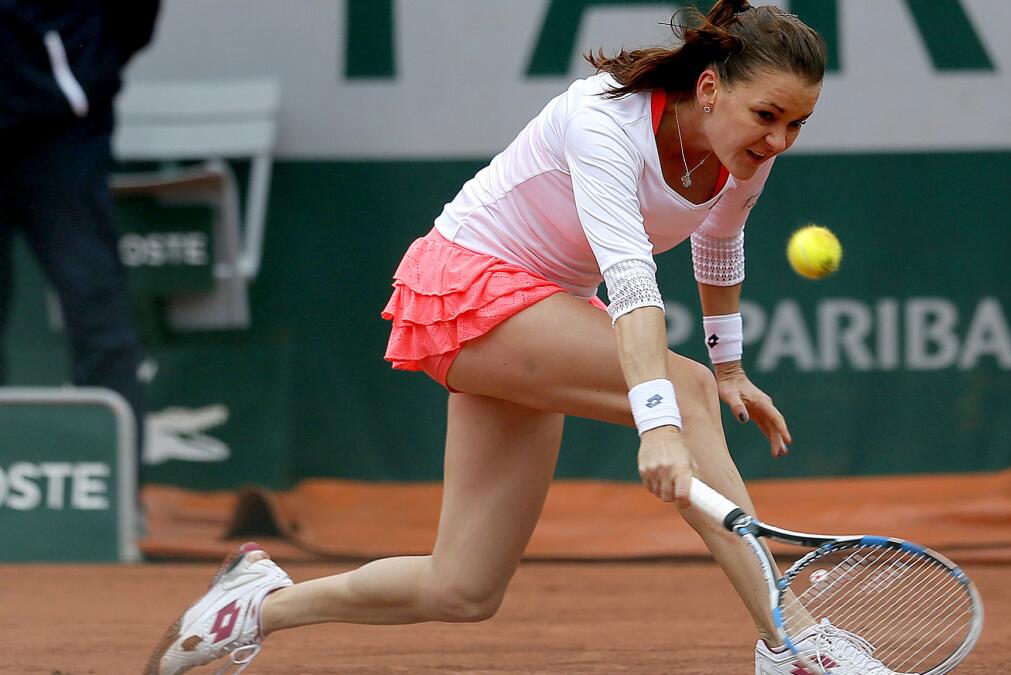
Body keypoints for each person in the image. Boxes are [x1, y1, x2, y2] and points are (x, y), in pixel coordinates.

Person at [146, 3, 891, 674]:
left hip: (540, 310)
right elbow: (631, 283)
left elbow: (720, 244)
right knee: (683, 392)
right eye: (767, 115)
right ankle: (793, 640)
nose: (780, 138)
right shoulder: (603, 122)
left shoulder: (743, 155)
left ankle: (250, 606)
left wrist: (729, 365)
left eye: (797, 124)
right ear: (707, 90)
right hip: (464, 287)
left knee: (463, 586)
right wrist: (659, 419)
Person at [0, 1, 159, 479]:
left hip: (65, 143)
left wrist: (76, 75)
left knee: (97, 311)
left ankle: (116, 496)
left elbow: (134, 20)